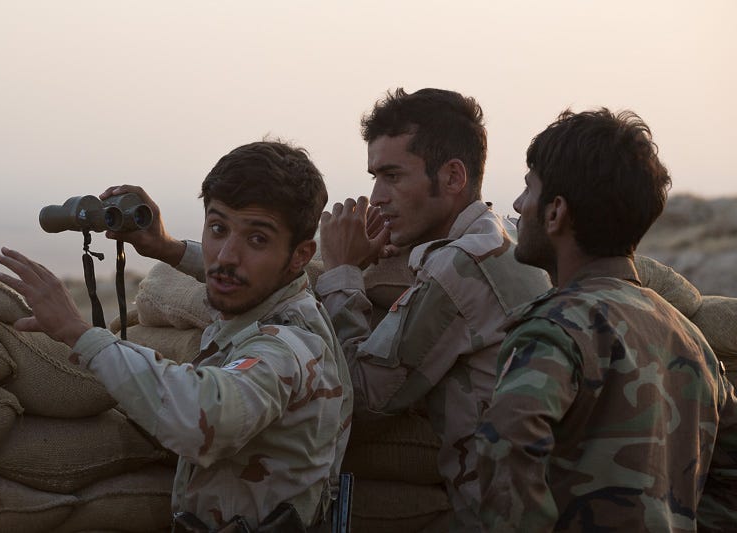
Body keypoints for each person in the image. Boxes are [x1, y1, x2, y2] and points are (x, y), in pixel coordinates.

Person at [0, 141, 353, 531]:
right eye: (218, 228)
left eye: (257, 239)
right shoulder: (281, 298)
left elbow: (201, 419)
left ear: (301, 256)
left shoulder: (288, 346)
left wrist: (79, 333)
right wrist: (166, 247)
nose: (226, 256)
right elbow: (235, 270)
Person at [473, 108, 737, 531]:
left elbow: (506, 446)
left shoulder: (556, 328)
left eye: (528, 190)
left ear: (556, 213)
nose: (519, 207)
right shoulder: (689, 338)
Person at [315, 88, 552, 529]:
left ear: (452, 177)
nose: (377, 196)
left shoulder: (461, 267)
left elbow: (361, 401)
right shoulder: (505, 234)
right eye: (374, 177)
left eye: (393, 176)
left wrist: (343, 273)